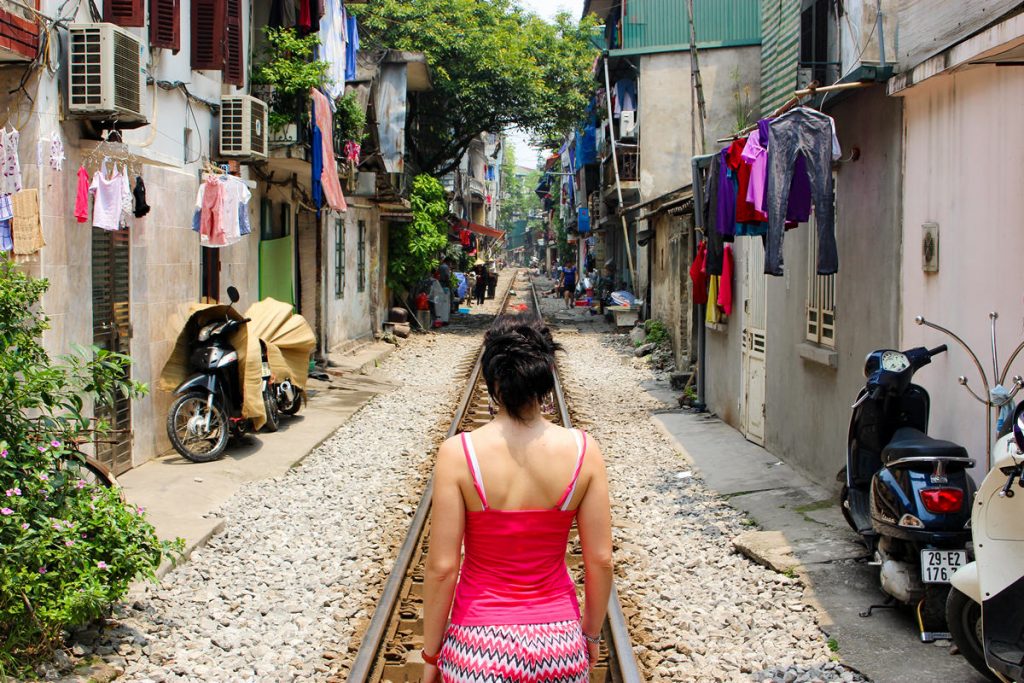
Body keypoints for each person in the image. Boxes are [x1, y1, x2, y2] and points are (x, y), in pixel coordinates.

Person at [421, 315, 613, 683]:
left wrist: (432, 655)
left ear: (493, 379)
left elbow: (443, 568)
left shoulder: (459, 453)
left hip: (478, 646)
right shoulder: (584, 451)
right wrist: (588, 635)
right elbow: (601, 560)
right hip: (558, 644)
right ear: (547, 374)